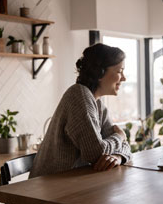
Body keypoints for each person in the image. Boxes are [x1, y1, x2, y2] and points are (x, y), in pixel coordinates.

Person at [29, 43, 132, 178]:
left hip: (69, 185)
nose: (124, 78)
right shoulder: (79, 96)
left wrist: (118, 156)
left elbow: (124, 147)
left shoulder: (99, 105)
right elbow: (96, 153)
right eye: (119, 71)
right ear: (99, 73)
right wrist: (120, 136)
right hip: (45, 190)